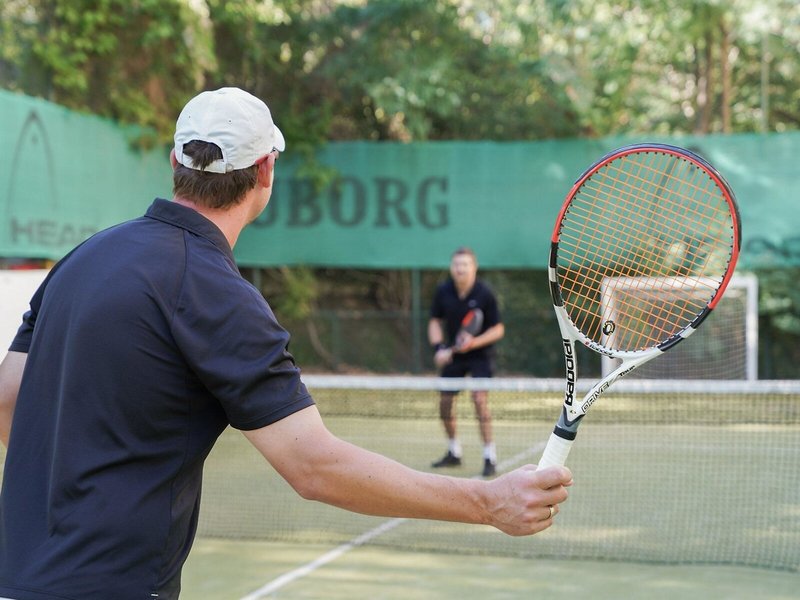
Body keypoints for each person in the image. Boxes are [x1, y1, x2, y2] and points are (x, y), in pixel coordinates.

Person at [0, 87, 572, 600]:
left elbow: (8, 403)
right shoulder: (221, 296)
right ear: (266, 170)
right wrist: (487, 502)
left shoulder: (80, 259)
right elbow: (315, 468)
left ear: (174, 163)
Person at [428, 247, 504, 477]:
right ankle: (454, 452)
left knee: (479, 399)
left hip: (481, 355)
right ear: (452, 268)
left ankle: (489, 456)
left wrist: (474, 342)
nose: (460, 269)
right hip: (455, 357)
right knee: (444, 403)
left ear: (474, 267)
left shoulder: (485, 293)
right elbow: (434, 322)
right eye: (456, 264)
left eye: (465, 264)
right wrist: (439, 348)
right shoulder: (443, 291)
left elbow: (498, 329)